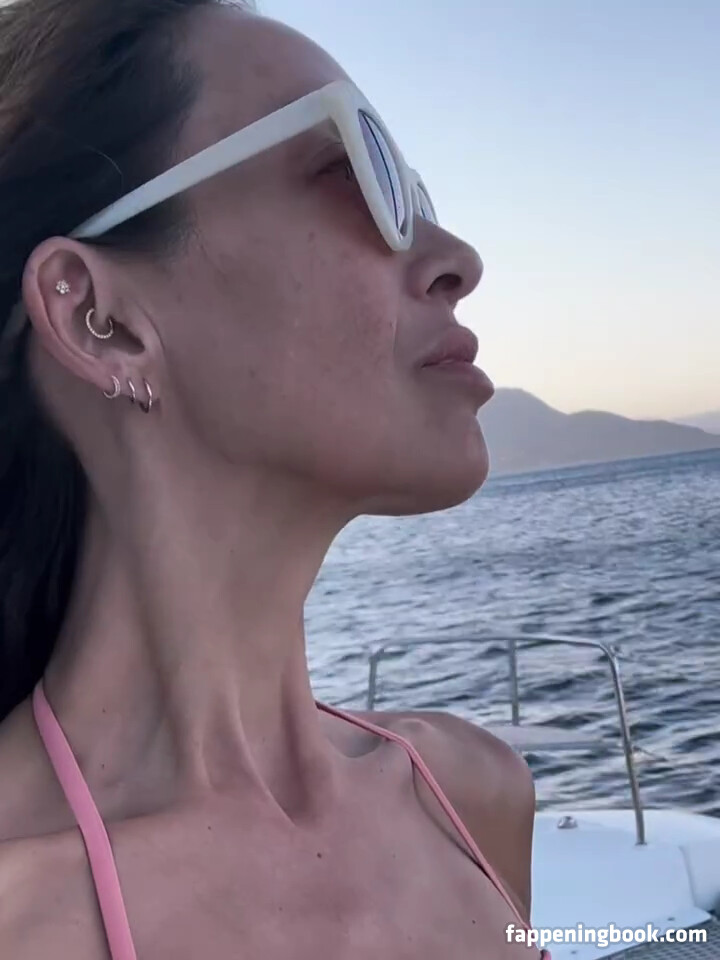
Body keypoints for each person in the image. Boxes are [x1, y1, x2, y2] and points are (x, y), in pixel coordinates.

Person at [0, 1, 547, 957]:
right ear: (100, 320)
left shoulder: (472, 795)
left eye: (416, 192)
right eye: (357, 171)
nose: (456, 259)